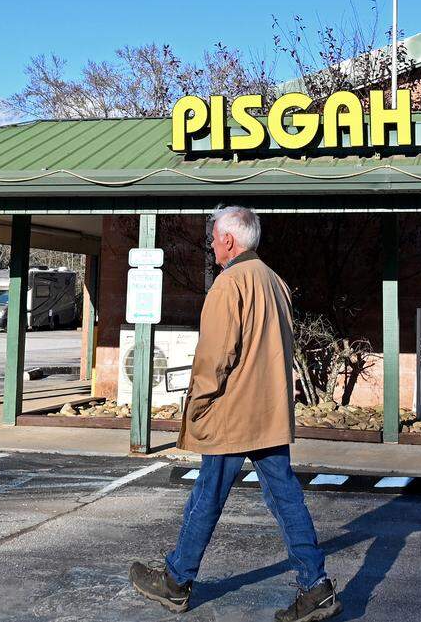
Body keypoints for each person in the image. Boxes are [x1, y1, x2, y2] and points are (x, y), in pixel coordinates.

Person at [130, 206, 340, 622]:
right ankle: (315, 587)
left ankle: (176, 582)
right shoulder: (274, 282)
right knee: (285, 497)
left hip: (234, 412)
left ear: (229, 239)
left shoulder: (230, 284)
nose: (211, 244)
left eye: (214, 237)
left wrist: (198, 404)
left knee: (208, 494)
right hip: (268, 412)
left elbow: (215, 357)